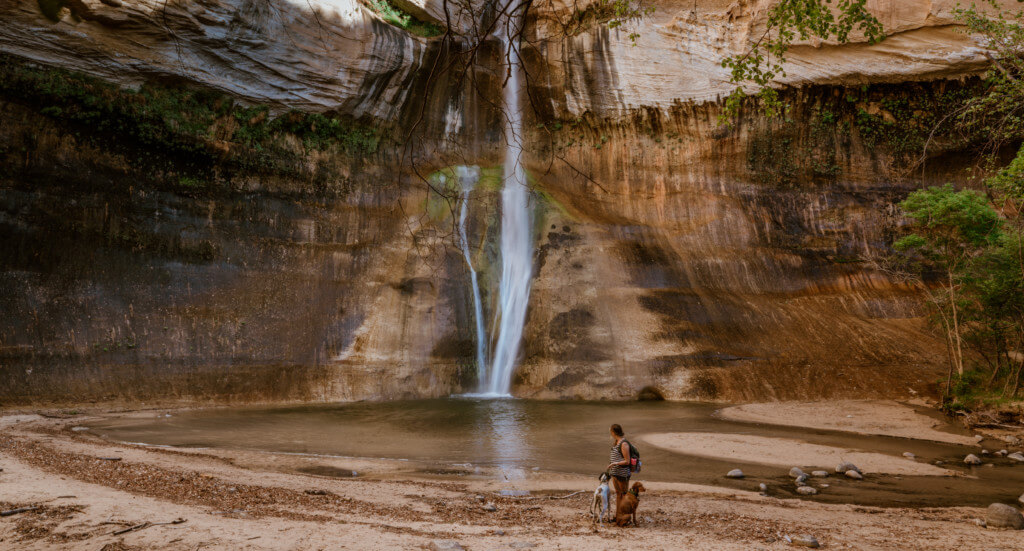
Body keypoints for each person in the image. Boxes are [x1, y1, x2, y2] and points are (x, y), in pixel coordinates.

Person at [605, 423, 632, 510]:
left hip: (622, 474)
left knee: (623, 494)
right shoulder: (616, 442)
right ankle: (618, 515)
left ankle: (624, 516)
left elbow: (627, 461)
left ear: (613, 432)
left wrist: (614, 463)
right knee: (618, 494)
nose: (610, 434)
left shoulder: (624, 444)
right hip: (615, 473)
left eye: (611, 432)